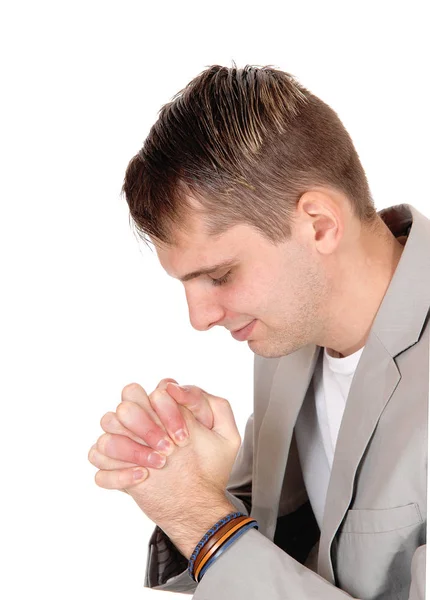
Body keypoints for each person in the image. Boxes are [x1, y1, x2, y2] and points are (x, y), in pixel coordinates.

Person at [88, 65, 428, 599]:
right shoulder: (290, 335)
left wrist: (206, 526)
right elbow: (297, 540)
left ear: (319, 224)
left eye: (220, 276)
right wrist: (193, 480)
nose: (199, 318)